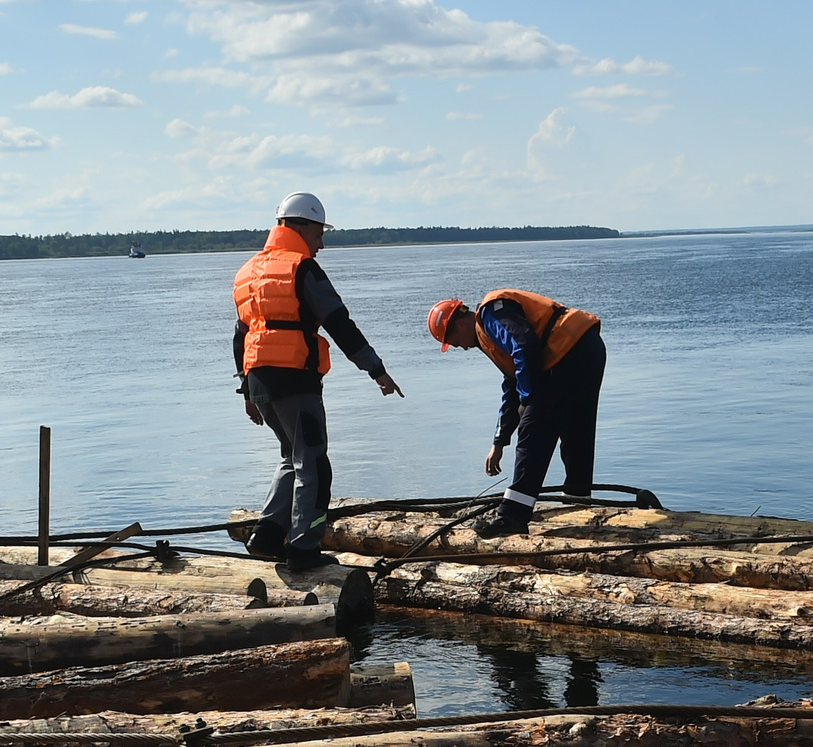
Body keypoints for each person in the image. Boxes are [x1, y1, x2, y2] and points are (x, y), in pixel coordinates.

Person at [232, 191, 402, 569]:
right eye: (319, 233)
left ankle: (266, 535)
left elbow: (240, 336)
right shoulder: (302, 269)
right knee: (314, 467)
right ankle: (304, 548)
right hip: (295, 378)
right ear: (301, 226)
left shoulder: (248, 272)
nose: (321, 243)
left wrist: (246, 389)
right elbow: (339, 322)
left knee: (291, 458)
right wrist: (376, 369)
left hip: (260, 382)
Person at [426, 290, 605, 537]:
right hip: (587, 346)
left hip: (567, 351)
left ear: (459, 324)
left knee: (533, 429)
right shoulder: (489, 334)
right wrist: (499, 442)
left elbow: (524, 346)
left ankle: (513, 516)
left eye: (455, 342)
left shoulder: (490, 314)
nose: (463, 348)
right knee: (576, 428)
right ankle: (580, 503)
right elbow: (512, 383)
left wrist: (528, 399)